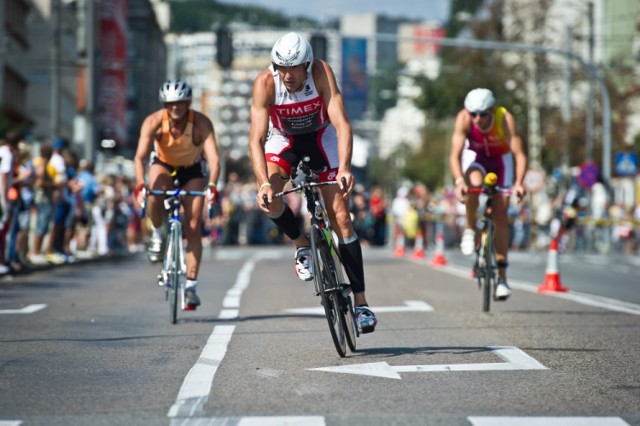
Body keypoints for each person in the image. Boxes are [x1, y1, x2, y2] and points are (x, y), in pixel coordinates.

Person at [248, 32, 377, 333]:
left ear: (307, 65)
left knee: (342, 218)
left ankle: (361, 302)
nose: (287, 75)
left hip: (322, 137)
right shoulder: (266, 83)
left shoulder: (321, 72)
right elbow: (255, 139)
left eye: (294, 68)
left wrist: (344, 168)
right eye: (281, 67)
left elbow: (342, 123)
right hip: (284, 140)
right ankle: (300, 243)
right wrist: (264, 184)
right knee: (271, 199)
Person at [134, 79, 220, 309]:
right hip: (162, 164)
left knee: (193, 226)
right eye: (171, 104)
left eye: (180, 103)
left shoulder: (201, 122)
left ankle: (191, 285)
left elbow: (213, 158)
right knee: (155, 193)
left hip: (192, 169)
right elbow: (140, 157)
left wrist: (212, 185)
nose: (175, 108)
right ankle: (157, 233)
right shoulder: (153, 121)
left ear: (188, 103)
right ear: (164, 104)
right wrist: (140, 184)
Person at [449, 88, 527, 300]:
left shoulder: (504, 119)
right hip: (476, 158)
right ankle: (470, 228)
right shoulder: (464, 119)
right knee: (472, 184)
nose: (477, 119)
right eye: (473, 113)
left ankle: (502, 278)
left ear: (492, 111)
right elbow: (454, 155)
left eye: (482, 114)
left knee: (501, 215)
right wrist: (458, 182)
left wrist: (519, 183)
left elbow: (519, 154)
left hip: (501, 162)